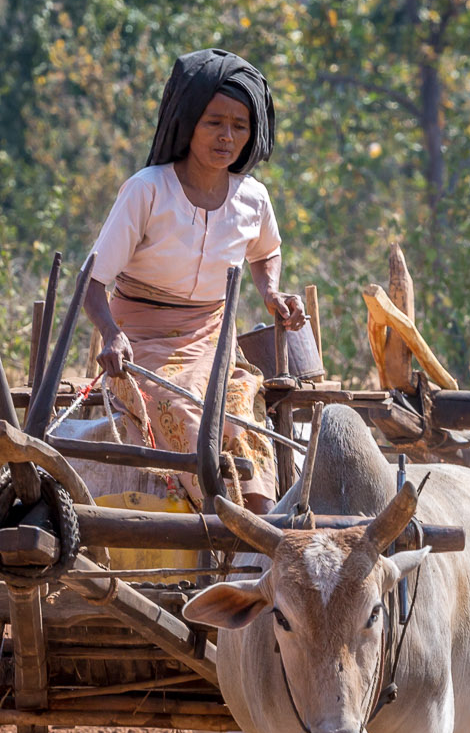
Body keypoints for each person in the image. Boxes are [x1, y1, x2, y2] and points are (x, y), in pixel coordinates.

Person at [82, 48, 306, 513]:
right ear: (188, 124)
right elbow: (91, 283)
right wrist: (111, 335)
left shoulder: (254, 199)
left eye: (239, 127)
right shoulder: (147, 189)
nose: (227, 137)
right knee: (182, 407)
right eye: (214, 123)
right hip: (140, 345)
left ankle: (262, 523)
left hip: (212, 343)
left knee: (241, 406)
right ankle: (223, 516)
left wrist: (270, 292)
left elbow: (267, 252)